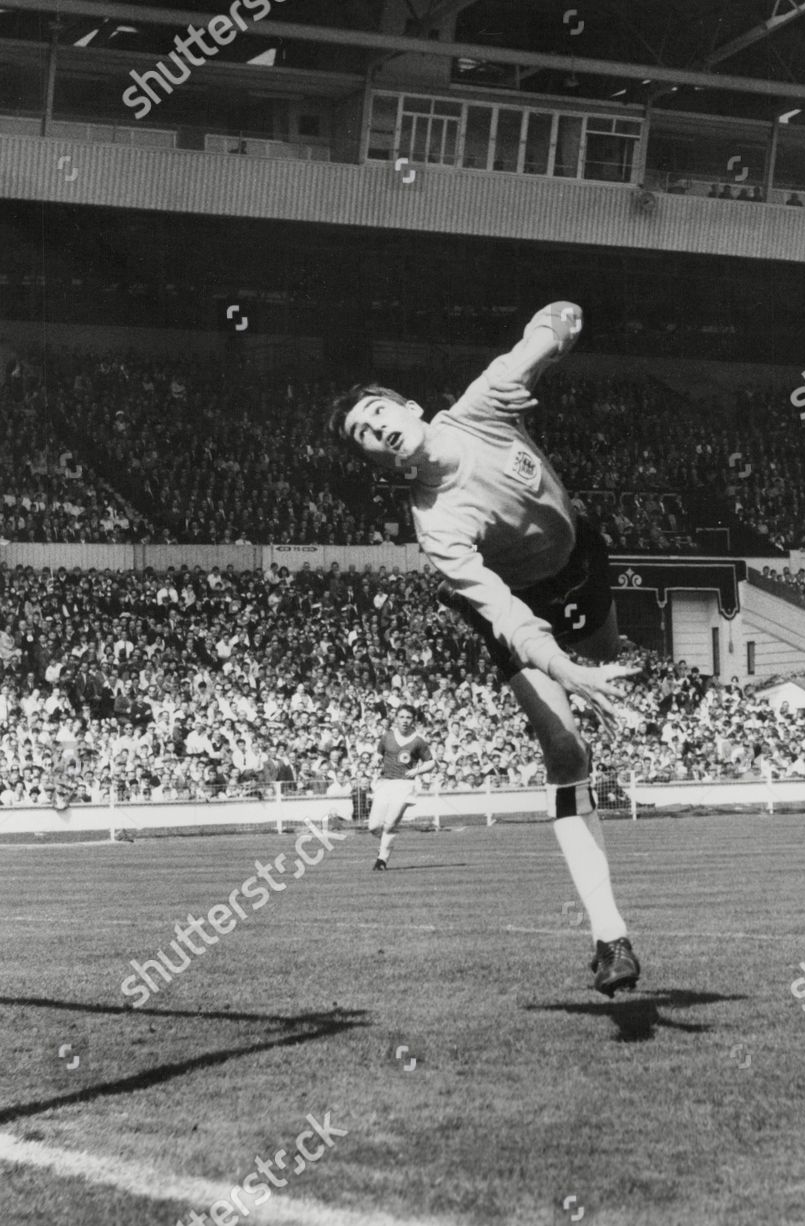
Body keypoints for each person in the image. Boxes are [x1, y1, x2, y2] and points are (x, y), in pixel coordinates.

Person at [327, 301, 642, 996]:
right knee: (566, 750)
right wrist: (562, 669)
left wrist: (556, 329)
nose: (375, 430)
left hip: (582, 563)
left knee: (608, 667)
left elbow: (551, 324)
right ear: (375, 460)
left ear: (409, 408)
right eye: (363, 437)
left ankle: (594, 685)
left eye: (376, 415)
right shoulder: (436, 527)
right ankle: (610, 937)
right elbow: (505, 613)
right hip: (518, 606)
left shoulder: (482, 405)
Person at [367, 705, 434, 870]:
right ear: (396, 718)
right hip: (385, 783)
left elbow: (431, 762)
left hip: (405, 785)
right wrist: (375, 760)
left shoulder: (418, 740)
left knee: (390, 824)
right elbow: (379, 753)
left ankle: (382, 860)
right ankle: (385, 844)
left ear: (413, 720)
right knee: (373, 826)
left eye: (408, 717)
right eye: (402, 717)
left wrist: (416, 770)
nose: (405, 721)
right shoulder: (387, 737)